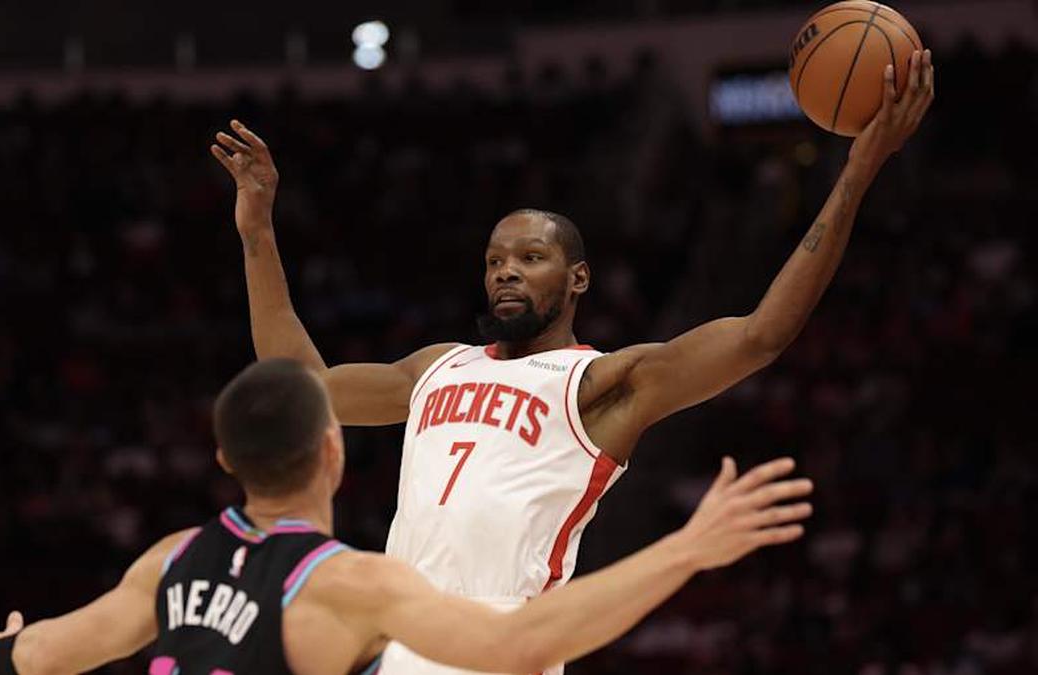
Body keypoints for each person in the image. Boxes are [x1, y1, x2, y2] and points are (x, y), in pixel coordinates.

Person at [210, 51, 934, 673]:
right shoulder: (437, 367)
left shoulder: (601, 384)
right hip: (401, 645)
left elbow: (759, 336)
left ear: (578, 279)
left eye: (531, 257)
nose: (506, 271)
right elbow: (302, 387)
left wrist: (857, 171)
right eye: (495, 259)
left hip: (508, 648)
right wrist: (257, 232)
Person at [0, 359, 812, 675]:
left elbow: (33, 655)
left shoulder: (170, 562)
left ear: (225, 459)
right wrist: (687, 548)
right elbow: (519, 648)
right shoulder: (350, 584)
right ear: (335, 450)